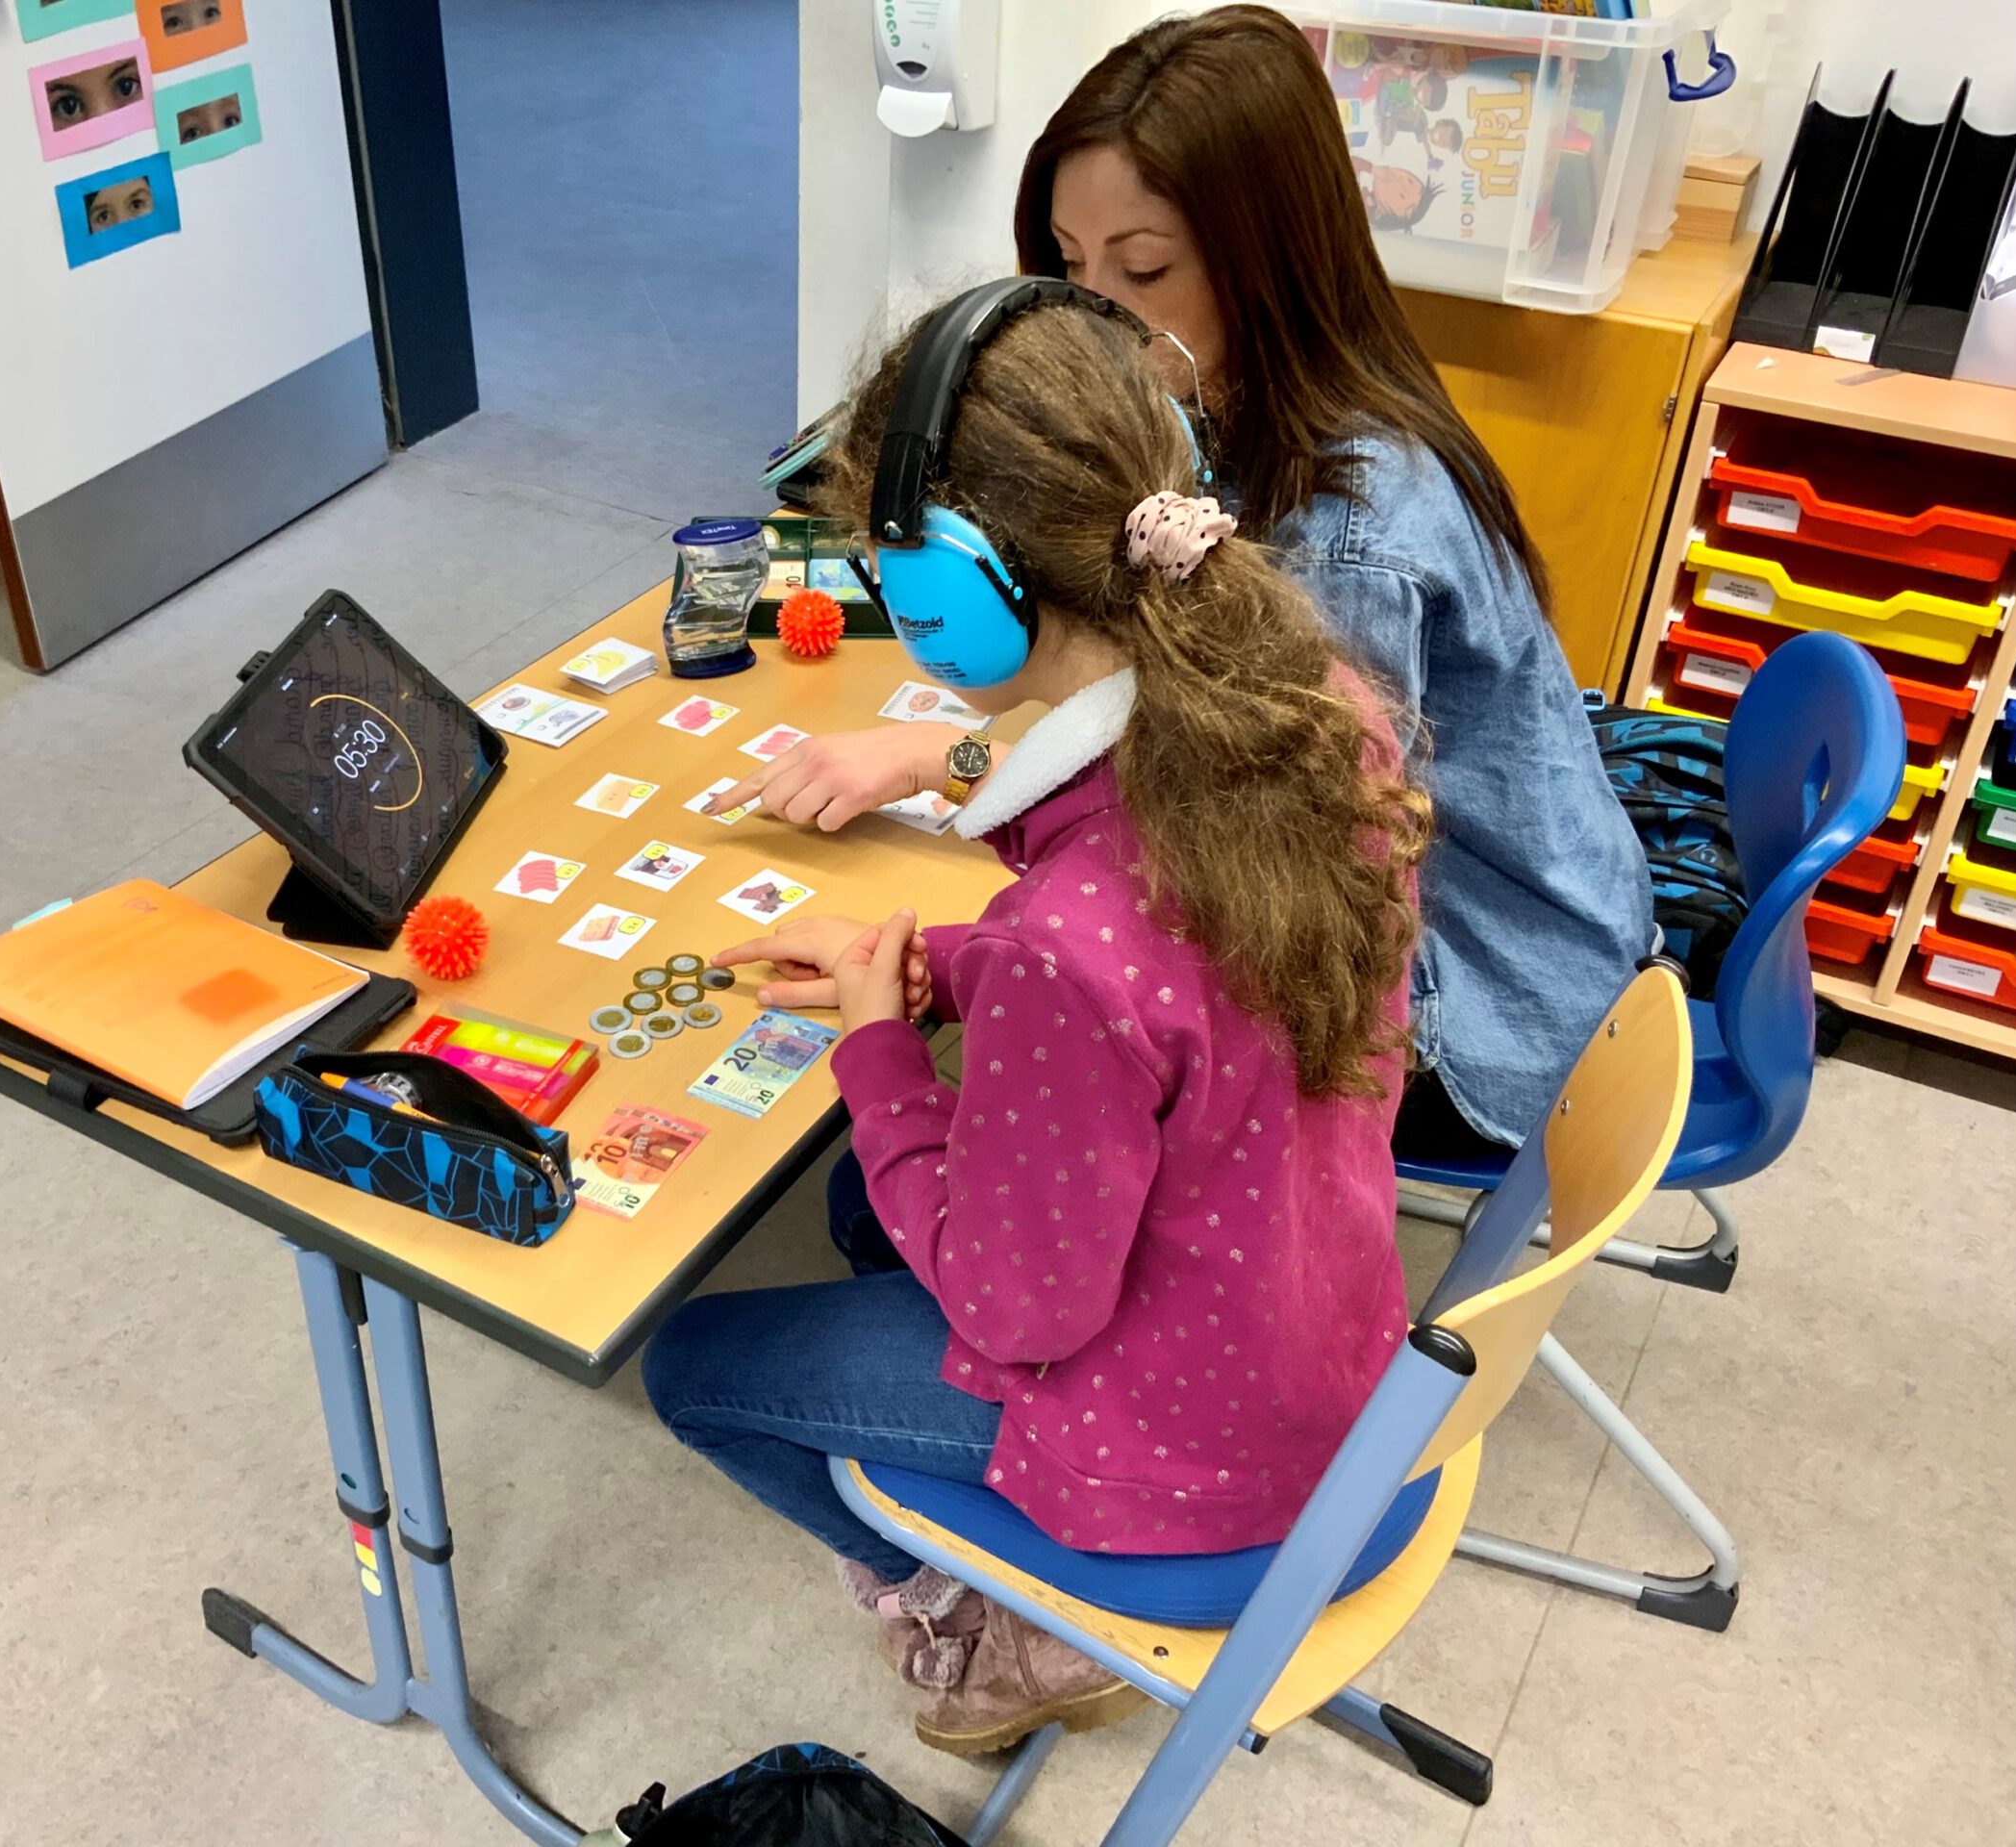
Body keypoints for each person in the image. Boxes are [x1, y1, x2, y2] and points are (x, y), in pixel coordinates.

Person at [643, 291, 1429, 1754]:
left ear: (956, 592)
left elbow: (1022, 1311)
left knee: (693, 1367)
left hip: (1198, 1467)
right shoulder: (1319, 710)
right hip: (1332, 1335)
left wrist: (884, 1045)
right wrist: (947, 967)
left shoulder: (1075, 942)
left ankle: (997, 1639)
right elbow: (1196, 996)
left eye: (889, 572)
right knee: (853, 1200)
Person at [731, 6, 1652, 1157]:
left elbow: (1220, 853)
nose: (1089, 319)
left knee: (966, 1120)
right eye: (1065, 267)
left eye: (1144, 269)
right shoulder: (1243, 416)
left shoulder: (1343, 537)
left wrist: (939, 764)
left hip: (1482, 999)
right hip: (1469, 918)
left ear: (1269, 261)